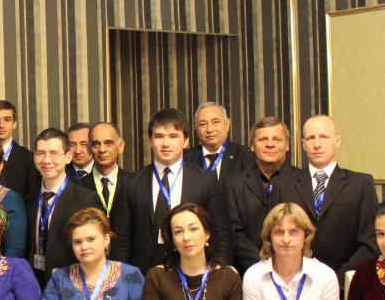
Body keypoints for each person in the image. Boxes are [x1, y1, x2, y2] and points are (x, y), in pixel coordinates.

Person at [120, 108, 232, 271]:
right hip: (143, 276)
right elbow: (122, 241)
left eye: (173, 136)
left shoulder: (205, 180)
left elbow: (221, 234)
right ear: (151, 141)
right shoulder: (131, 183)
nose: (166, 144)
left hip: (194, 273)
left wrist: (221, 270)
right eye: (159, 136)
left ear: (186, 141)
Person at [284, 114, 379, 277]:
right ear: (303, 145)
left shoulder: (361, 184)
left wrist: (338, 281)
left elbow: (370, 242)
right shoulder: (284, 184)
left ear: (337, 141)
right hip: (293, 281)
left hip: (344, 281)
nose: (317, 144)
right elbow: (275, 236)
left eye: (324, 137)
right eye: (310, 138)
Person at [26, 128, 101, 286]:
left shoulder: (86, 199)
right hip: (34, 283)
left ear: (68, 156)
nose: (46, 160)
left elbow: (97, 251)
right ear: (34, 157)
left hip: (73, 285)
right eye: (40, 153)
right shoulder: (29, 199)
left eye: (54, 153)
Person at [226, 117, 296, 273]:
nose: (270, 144)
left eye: (277, 139)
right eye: (263, 139)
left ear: (287, 145)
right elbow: (234, 233)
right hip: (249, 272)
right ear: (252, 145)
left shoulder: (302, 181)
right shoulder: (233, 183)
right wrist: (262, 265)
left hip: (294, 272)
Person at [82, 121, 132, 261]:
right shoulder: (77, 188)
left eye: (108, 143)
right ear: (89, 148)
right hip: (90, 267)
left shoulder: (134, 184)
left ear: (121, 146)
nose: (102, 149)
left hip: (128, 267)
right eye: (96, 144)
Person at [185, 101, 255, 181]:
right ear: (195, 128)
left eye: (215, 122)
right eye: (203, 124)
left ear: (227, 124)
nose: (209, 129)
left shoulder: (245, 156)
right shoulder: (186, 159)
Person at [0, 100, 39, 198]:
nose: (1, 125)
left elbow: (32, 199)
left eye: (7, 119)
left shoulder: (29, 159)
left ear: (15, 124)